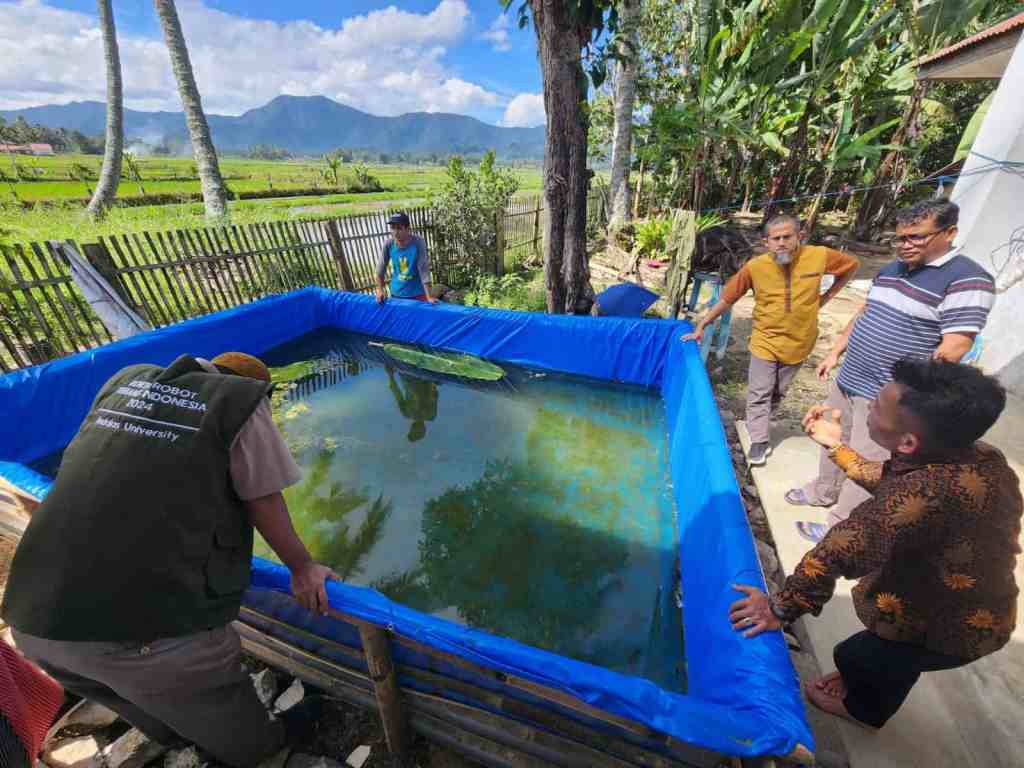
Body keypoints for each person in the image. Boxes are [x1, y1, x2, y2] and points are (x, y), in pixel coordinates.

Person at [1, 352, 337, 767]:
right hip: (139, 633)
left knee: (128, 697)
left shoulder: (125, 382)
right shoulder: (241, 402)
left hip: (32, 619)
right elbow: (263, 496)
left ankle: (178, 739)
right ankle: (263, 750)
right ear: (261, 393)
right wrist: (302, 568)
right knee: (224, 708)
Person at [730, 359, 1022, 730]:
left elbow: (836, 551)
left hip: (952, 627)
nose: (868, 405)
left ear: (908, 442)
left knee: (859, 657)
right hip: (975, 599)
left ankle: (865, 710)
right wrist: (837, 447)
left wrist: (778, 608)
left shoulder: (917, 496)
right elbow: (900, 484)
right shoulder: (979, 455)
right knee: (878, 659)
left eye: (878, 405)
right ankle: (870, 678)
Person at [787, 200, 996, 542]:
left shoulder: (967, 280)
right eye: (900, 238)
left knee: (869, 458)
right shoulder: (892, 268)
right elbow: (866, 312)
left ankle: (841, 525)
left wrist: (910, 397)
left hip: (887, 394)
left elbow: (954, 346)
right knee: (831, 437)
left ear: (950, 233)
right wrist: (837, 350)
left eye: (916, 237)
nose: (905, 245)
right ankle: (823, 490)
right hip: (851, 376)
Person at [683, 215, 859, 466]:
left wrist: (827, 296)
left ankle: (760, 421)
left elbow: (851, 265)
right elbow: (728, 298)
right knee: (759, 392)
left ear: (800, 236)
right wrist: (703, 324)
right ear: (766, 242)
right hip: (765, 341)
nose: (782, 243)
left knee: (778, 392)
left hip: (800, 342)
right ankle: (759, 439)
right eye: (775, 238)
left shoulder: (819, 256)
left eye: (787, 237)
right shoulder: (756, 267)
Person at [375, 212, 437, 304]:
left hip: (417, 294)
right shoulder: (389, 244)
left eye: (399, 228)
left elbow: (423, 269)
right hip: (396, 294)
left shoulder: (418, 242)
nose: (395, 232)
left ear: (408, 229)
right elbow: (380, 270)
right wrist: (379, 290)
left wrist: (429, 297)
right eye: (392, 228)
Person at [386, 366, 438, 443]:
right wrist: (391, 376)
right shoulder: (429, 415)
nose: (412, 429)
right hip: (416, 376)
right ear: (423, 430)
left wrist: (390, 376)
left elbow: (396, 392)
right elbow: (434, 394)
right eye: (416, 432)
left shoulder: (407, 413)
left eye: (412, 431)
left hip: (410, 376)